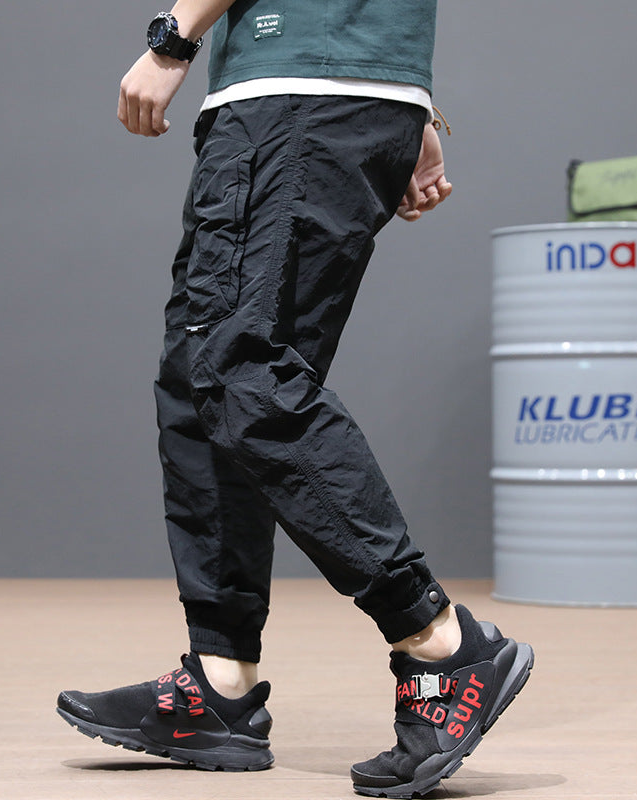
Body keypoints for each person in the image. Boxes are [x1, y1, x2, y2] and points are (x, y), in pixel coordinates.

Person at [56, 2, 534, 797]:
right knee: (202, 382)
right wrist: (402, 93)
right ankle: (222, 682)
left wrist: (174, 37)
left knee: (239, 368)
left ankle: (441, 644)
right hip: (330, 88)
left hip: (296, 94)